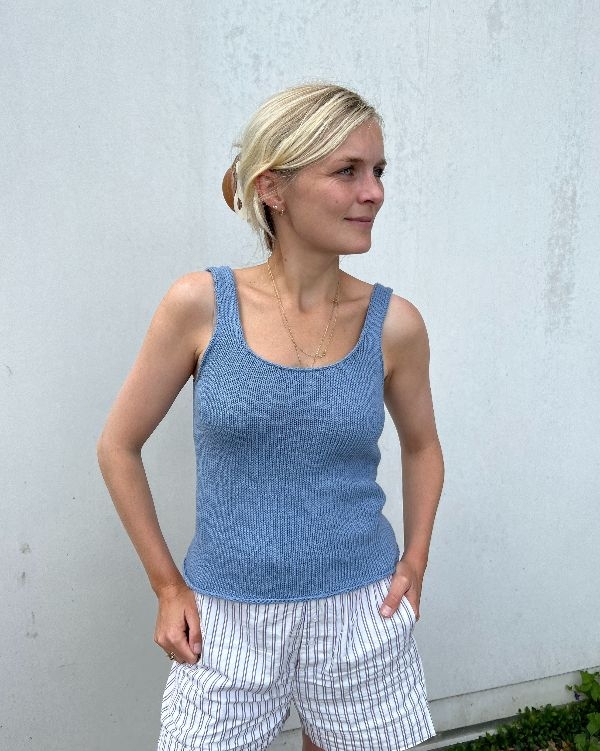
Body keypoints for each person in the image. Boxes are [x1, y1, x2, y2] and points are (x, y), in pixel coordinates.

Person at [97, 82, 444, 751]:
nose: (374, 192)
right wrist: (167, 586)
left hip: (361, 610)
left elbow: (423, 446)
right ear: (272, 188)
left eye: (378, 170)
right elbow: (118, 445)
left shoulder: (394, 324)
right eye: (347, 171)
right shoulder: (200, 305)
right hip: (226, 617)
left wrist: (416, 561)